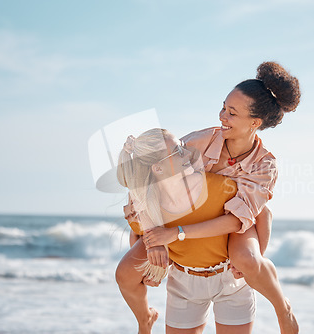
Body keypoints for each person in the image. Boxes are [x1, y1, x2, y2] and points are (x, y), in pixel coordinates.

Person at [140, 61, 301, 334]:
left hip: (234, 226)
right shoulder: (197, 142)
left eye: (232, 113)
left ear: (255, 123)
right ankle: (142, 318)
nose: (222, 116)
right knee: (128, 266)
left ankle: (281, 307)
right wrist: (154, 238)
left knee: (248, 260)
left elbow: (238, 219)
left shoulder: (265, 165)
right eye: (224, 107)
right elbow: (147, 179)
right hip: (192, 244)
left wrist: (177, 233)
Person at [116, 128, 256, 333]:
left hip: (230, 279)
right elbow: (136, 234)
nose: (187, 153)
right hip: (184, 283)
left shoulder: (217, 186)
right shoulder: (146, 208)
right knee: (124, 272)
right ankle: (144, 319)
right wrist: (155, 266)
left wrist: (252, 262)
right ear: (158, 169)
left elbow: (258, 215)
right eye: (177, 152)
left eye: (182, 147)